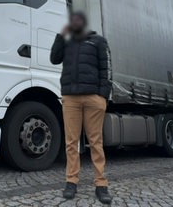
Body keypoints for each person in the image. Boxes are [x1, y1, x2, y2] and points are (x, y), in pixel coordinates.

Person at [50, 11, 113, 204]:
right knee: (71, 142)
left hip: (93, 98)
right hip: (70, 98)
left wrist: (102, 96)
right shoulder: (66, 41)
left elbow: (106, 69)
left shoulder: (98, 41)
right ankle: (71, 182)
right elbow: (54, 58)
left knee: (96, 142)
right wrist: (61, 35)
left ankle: (101, 185)